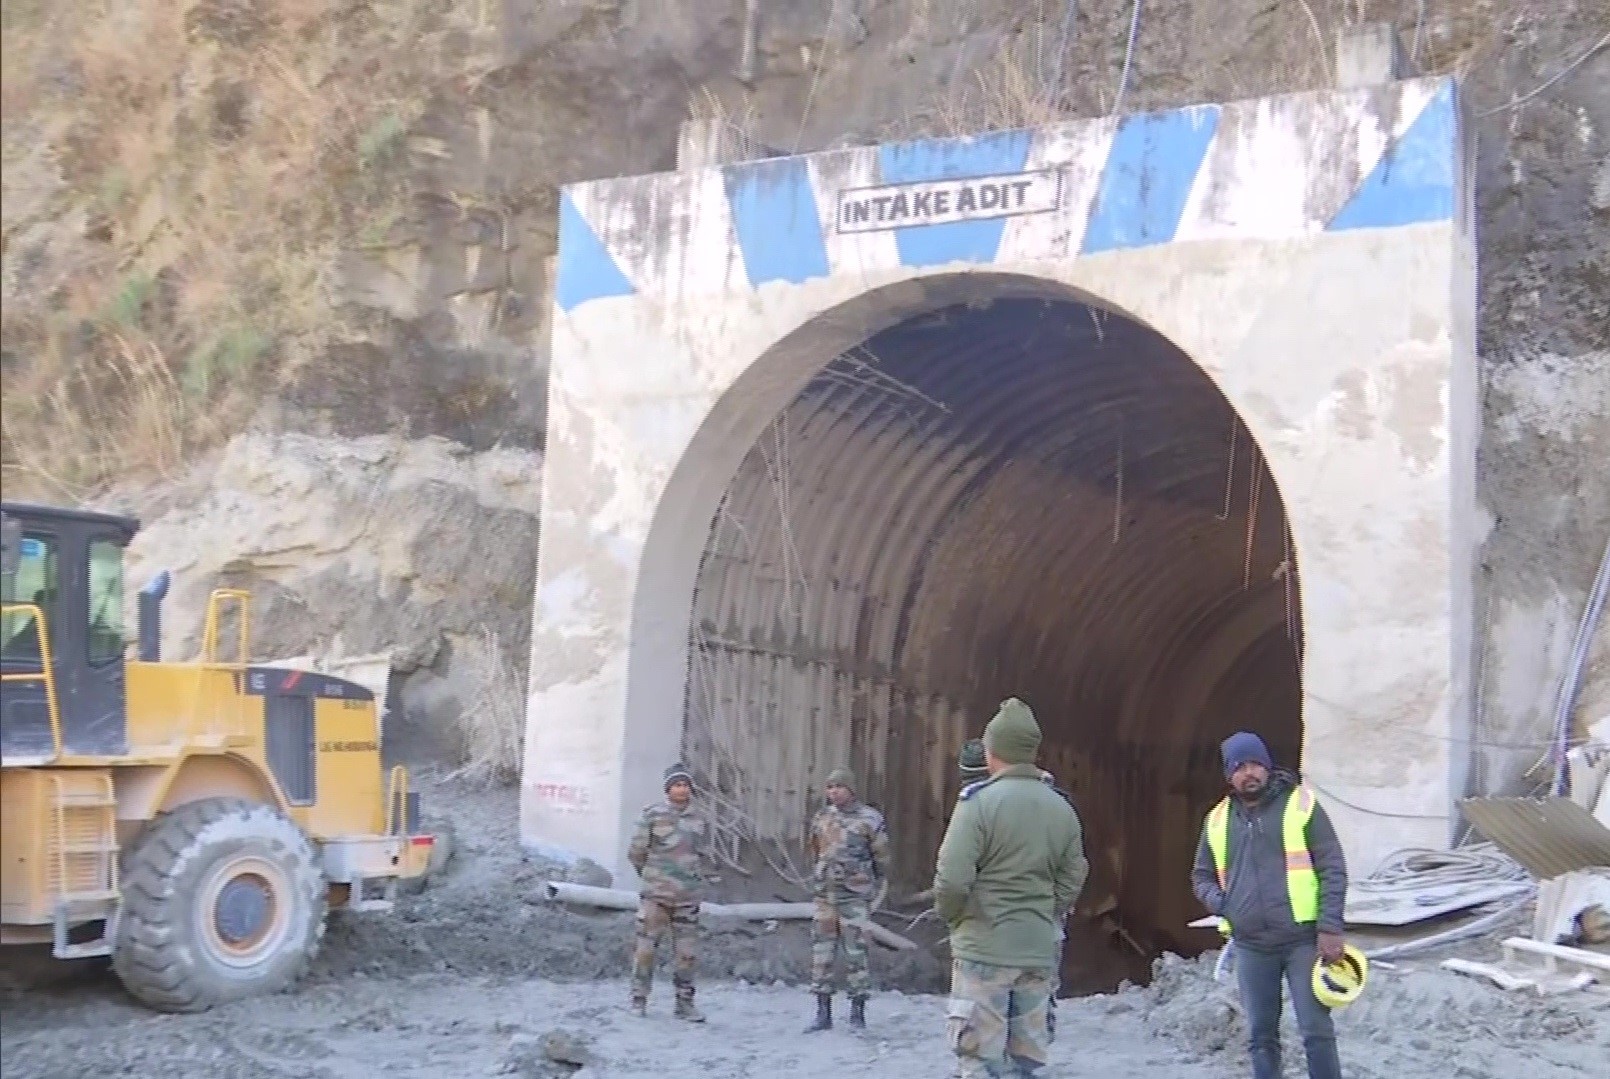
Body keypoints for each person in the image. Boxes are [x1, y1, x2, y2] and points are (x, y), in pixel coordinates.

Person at [934, 699, 1088, 1078]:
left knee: (979, 1060)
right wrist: (1046, 912)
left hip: (984, 948)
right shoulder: (1061, 809)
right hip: (1036, 950)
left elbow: (952, 879)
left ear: (993, 751)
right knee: (1025, 1063)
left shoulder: (978, 804)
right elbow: (1074, 875)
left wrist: (957, 920)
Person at [1191, 732, 1348, 1079]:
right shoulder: (1217, 821)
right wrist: (1223, 904)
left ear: (1267, 766)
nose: (1250, 773)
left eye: (1256, 764)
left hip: (1303, 941)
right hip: (1251, 946)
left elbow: (1332, 867)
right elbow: (1200, 875)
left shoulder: (1300, 806)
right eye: (1241, 766)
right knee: (1261, 1037)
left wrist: (1330, 927)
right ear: (1229, 775)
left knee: (1315, 1032)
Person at [957, 738, 1074, 1042]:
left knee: (1011, 989)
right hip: (1027, 916)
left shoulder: (985, 805)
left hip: (1011, 915)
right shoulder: (1052, 801)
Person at [804, 767, 890, 1032]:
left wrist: (871, 885)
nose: (833, 792)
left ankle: (857, 1014)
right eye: (830, 787)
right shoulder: (822, 817)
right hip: (825, 897)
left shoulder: (870, 819)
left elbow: (882, 857)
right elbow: (815, 849)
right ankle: (822, 1013)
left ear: (851, 789)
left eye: (839, 787)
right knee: (822, 954)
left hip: (854, 897)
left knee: (856, 954)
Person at [626, 762, 709, 1022]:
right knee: (646, 950)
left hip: (687, 898)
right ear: (667, 789)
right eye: (676, 785)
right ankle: (639, 1000)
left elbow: (702, 854)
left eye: (685, 785)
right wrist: (652, 879)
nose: (681, 790)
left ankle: (684, 1004)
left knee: (686, 954)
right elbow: (636, 852)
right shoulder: (652, 815)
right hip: (656, 898)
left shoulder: (698, 819)